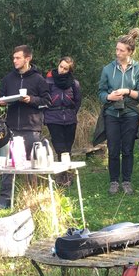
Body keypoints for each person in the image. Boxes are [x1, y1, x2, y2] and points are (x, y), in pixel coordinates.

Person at [0, 44, 51, 210]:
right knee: (8, 165)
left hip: (31, 127)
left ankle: (34, 198)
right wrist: (2, 102)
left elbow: (47, 102)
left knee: (32, 165)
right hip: (11, 127)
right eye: (13, 58)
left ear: (28, 58)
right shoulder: (8, 79)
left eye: (18, 57)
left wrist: (31, 100)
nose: (15, 60)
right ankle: (5, 200)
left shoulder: (38, 79)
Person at [98, 28, 139, 195]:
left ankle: (126, 181)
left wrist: (126, 91)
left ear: (130, 52)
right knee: (113, 149)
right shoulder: (107, 69)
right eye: (116, 49)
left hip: (131, 114)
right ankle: (113, 181)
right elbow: (101, 92)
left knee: (127, 149)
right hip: (111, 113)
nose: (117, 52)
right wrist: (109, 97)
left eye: (121, 50)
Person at [44, 56, 81, 185]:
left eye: (65, 69)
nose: (62, 70)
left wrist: (71, 113)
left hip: (70, 118)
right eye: (61, 66)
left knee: (68, 148)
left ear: (69, 70)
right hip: (53, 117)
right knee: (60, 147)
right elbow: (44, 99)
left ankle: (66, 175)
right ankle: (62, 176)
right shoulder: (48, 81)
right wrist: (47, 114)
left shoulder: (74, 83)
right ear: (58, 65)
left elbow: (77, 101)